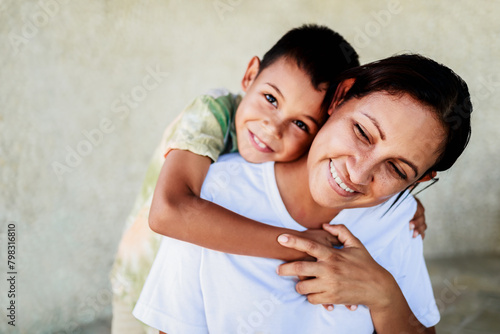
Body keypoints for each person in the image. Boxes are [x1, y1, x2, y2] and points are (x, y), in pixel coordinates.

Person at [133, 54, 472, 333]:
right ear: (340, 97)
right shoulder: (209, 194)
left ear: (417, 181)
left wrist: (384, 296)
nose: (358, 173)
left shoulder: (397, 215)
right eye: (362, 132)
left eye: (396, 169)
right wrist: (296, 245)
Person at [110, 24, 362, 333]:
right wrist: (295, 245)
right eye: (270, 98)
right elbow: (168, 213)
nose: (272, 128)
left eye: (300, 123)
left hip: (199, 296)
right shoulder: (212, 111)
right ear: (249, 75)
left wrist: (406, 201)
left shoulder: (299, 157)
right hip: (143, 278)